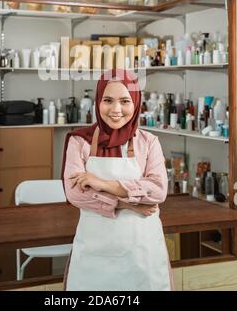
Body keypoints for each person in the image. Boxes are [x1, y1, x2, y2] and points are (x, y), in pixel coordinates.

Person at [62, 69, 172, 291]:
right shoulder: (79, 141)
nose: (116, 110)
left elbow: (158, 191)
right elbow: (75, 193)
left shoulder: (148, 142)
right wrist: (126, 203)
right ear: (97, 101)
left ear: (136, 103)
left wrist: (102, 184)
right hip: (95, 254)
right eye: (108, 100)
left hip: (142, 253)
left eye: (125, 101)